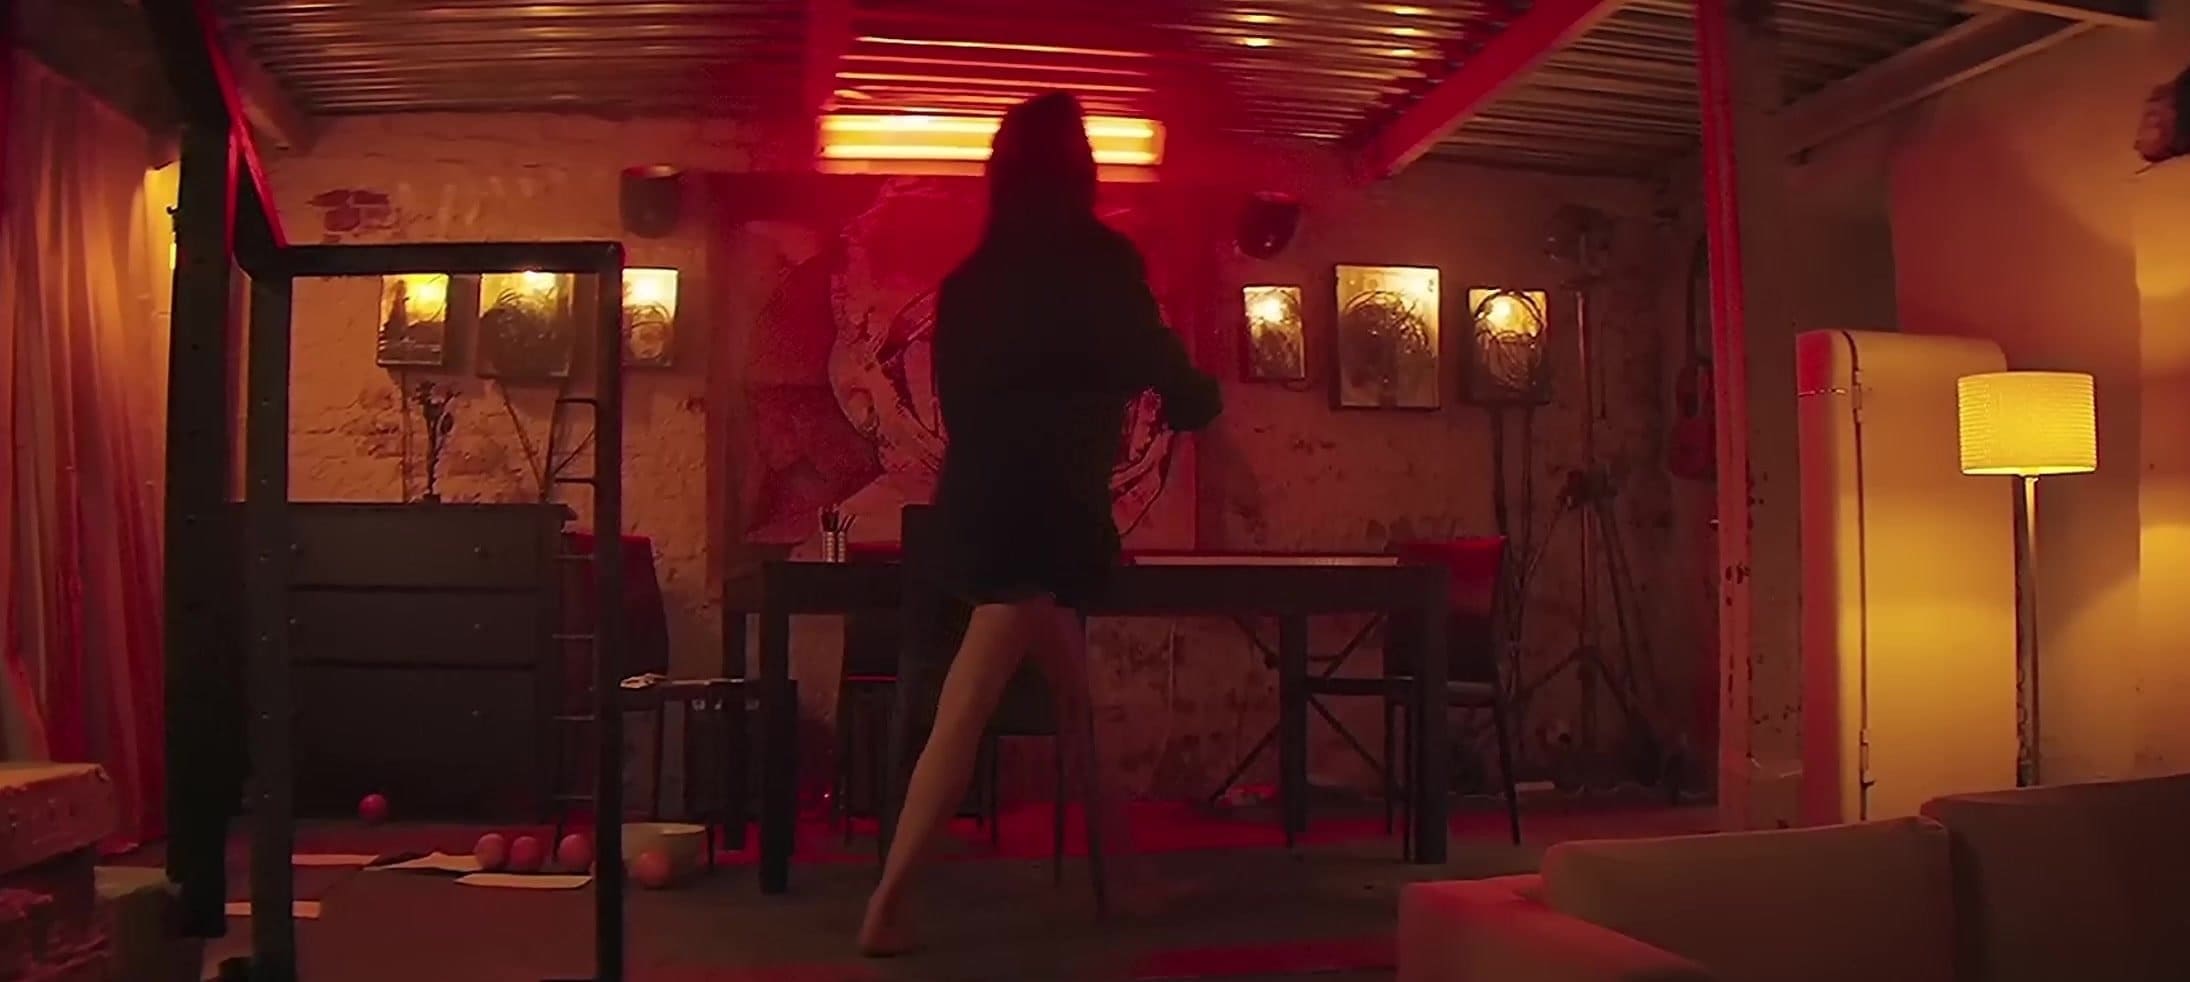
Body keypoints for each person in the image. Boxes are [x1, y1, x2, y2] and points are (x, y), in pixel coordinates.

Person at [857, 91, 1221, 957]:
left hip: (978, 508)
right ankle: (888, 903)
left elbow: (961, 408)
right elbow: (1162, 369)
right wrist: (1193, 399)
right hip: (1049, 516)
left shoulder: (970, 282)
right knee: (968, 706)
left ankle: (1117, 881)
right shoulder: (1099, 262)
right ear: (1078, 168)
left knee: (1071, 701)